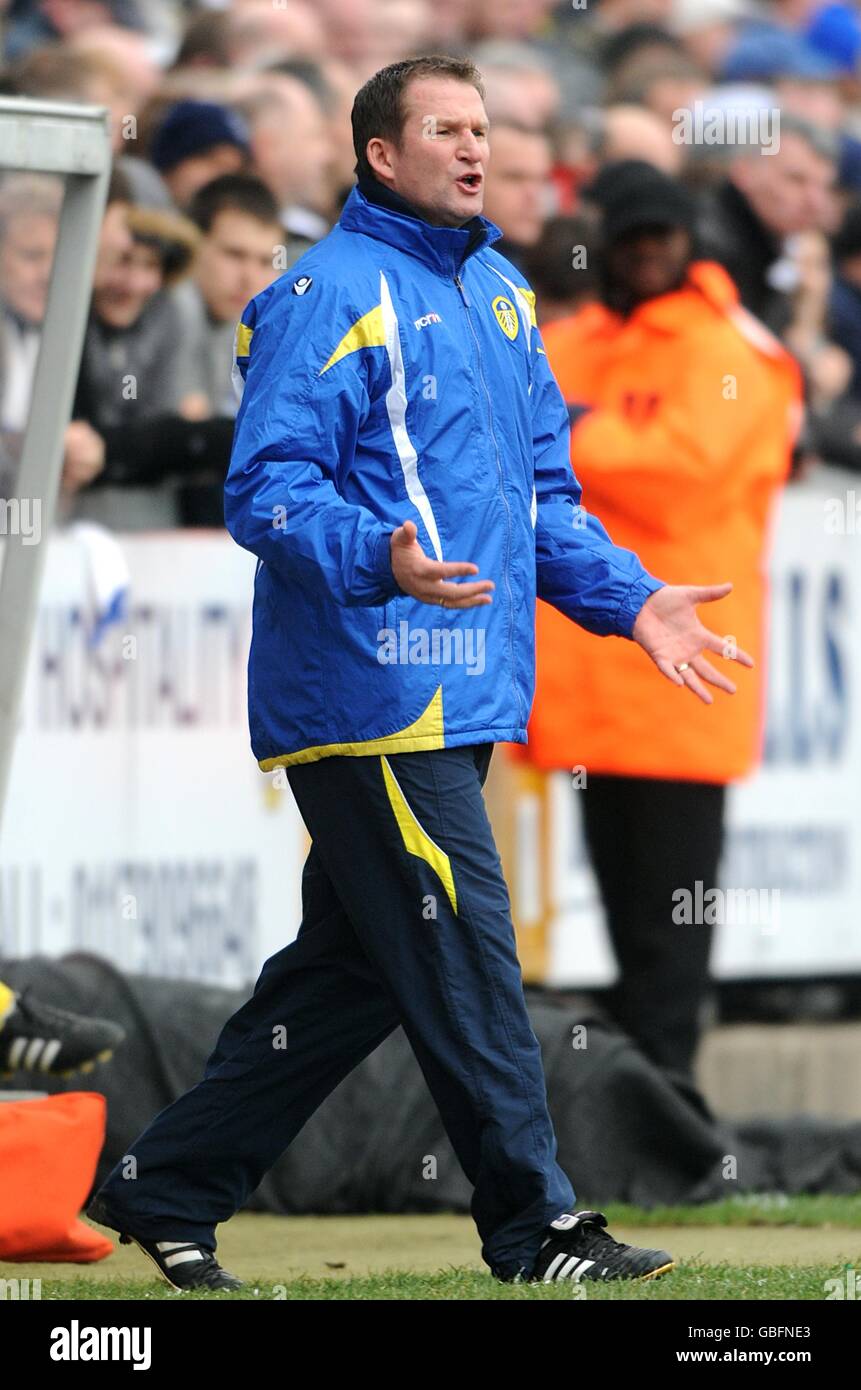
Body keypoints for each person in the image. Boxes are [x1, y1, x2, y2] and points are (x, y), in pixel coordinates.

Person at [88, 55, 752, 1293]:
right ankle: (537, 1227)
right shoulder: (320, 291)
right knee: (467, 952)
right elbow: (264, 490)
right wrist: (375, 556)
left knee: (351, 975)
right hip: (367, 695)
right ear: (379, 153)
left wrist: (636, 597)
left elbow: (545, 503)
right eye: (445, 129)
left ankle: (168, 1183)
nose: (474, 148)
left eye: (484, 128)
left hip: (462, 692)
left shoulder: (505, 294)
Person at [526, 160, 802, 1078]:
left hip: (684, 679)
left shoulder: (731, 350)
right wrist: (587, 429)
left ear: (690, 245)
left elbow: (680, 475)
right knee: (619, 920)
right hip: (590, 681)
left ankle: (673, 1117)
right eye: (630, 240)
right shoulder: (576, 338)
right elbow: (515, 431)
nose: (644, 256)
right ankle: (641, 1119)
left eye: (661, 240)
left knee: (668, 933)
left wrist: (576, 431)